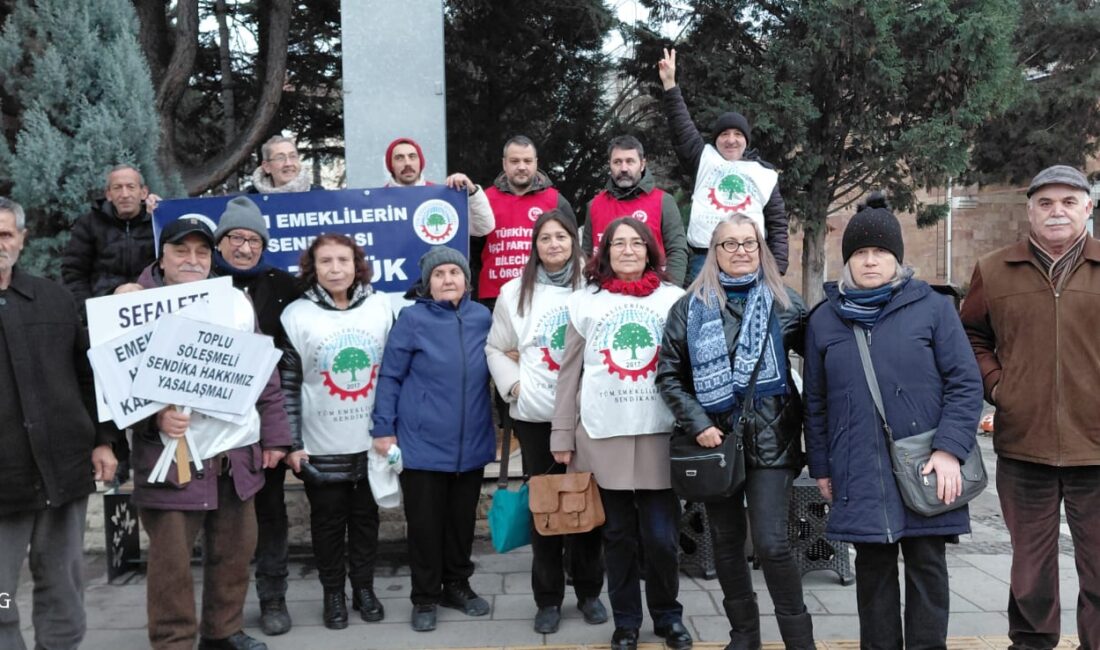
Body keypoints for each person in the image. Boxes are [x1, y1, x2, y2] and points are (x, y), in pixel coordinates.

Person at [803, 194, 983, 649]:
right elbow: (817, 402)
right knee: (873, 575)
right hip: (859, 468)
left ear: (896, 258)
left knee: (927, 570)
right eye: (860, 253)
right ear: (847, 260)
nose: (869, 261)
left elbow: (965, 383)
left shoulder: (934, 308)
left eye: (880, 252)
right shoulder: (825, 320)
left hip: (926, 467)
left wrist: (949, 451)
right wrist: (822, 467)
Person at [656, 214, 815, 649]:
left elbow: (823, 367)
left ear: (761, 250)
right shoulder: (689, 307)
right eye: (729, 244)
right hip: (715, 444)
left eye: (749, 243)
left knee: (771, 543)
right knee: (725, 543)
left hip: (773, 440)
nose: (741, 251)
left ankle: (800, 640)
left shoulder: (789, 304)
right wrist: (699, 422)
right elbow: (668, 375)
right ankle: (744, 636)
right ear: (714, 252)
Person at [132, 217, 291, 650]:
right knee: (171, 565)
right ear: (162, 256)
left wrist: (275, 437)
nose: (192, 260)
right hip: (172, 458)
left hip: (234, 454)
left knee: (235, 552)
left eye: (202, 252)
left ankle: (222, 632)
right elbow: (112, 386)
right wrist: (153, 419)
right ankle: (174, 642)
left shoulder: (235, 302)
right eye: (181, 251)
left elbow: (265, 375)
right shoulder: (135, 306)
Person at [960, 165, 1100, 649]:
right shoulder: (995, 269)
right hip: (1024, 450)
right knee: (1030, 576)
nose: (1056, 211)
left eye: (1068, 201)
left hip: (1097, 451)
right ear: (1030, 211)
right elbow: (970, 337)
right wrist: (1000, 387)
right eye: (1045, 203)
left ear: (1088, 206)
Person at [550, 218, 690, 650]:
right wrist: (561, 435)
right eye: (618, 244)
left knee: (662, 538)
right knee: (617, 536)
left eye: (636, 243)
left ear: (650, 250)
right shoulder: (583, 303)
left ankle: (668, 617)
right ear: (604, 253)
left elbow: (690, 366)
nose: (628, 250)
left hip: (659, 433)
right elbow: (569, 373)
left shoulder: (675, 300)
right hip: (602, 434)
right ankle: (626, 621)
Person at [0, 197, 118, 650]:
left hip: (62, 470)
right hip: (4, 480)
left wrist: (105, 442)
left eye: (7, 234)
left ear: (22, 240)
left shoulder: (54, 297)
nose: (1, 244)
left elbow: (89, 376)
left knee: (63, 583)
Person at [485, 210, 608, 634]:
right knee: (547, 510)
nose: (554, 244)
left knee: (589, 506)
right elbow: (496, 348)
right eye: (545, 238)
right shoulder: (514, 293)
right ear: (534, 246)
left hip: (588, 416)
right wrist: (515, 388)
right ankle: (548, 599)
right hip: (537, 417)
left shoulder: (595, 287)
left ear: (574, 241)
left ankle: (590, 591)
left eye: (561, 237)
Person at [371, 246, 496, 633]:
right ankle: (425, 596)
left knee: (461, 525)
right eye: (439, 274)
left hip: (471, 442)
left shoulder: (482, 317)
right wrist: (383, 428)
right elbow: (390, 376)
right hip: (422, 443)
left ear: (466, 280)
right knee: (425, 527)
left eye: (454, 273)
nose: (447, 280)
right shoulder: (412, 319)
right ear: (427, 284)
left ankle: (456, 585)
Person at [281, 234, 392, 630]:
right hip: (320, 445)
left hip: (372, 442)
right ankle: (333, 594)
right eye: (325, 261)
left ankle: (364, 588)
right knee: (328, 525)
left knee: (366, 520)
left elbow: (395, 377)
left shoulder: (381, 308)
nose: (335, 269)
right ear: (313, 266)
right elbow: (288, 386)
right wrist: (293, 444)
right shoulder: (296, 315)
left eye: (343, 260)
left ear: (357, 263)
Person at [210, 196, 302, 636]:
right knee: (217, 521)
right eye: (236, 238)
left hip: (265, 423)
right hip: (208, 426)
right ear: (220, 242)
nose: (245, 247)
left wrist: (280, 434)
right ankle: (221, 614)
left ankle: (273, 598)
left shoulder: (282, 285)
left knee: (270, 513)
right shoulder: (200, 283)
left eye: (253, 240)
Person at [657, 48, 789, 279]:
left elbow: (778, 225)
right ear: (716, 139)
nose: (731, 140)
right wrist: (670, 85)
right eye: (724, 134)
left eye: (738, 134)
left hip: (749, 260)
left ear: (746, 141)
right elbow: (682, 126)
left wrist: (777, 268)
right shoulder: (704, 159)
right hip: (703, 259)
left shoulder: (764, 174)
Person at [478, 135, 578, 305]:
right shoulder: (485, 199)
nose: (522, 167)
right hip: (494, 296)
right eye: (515, 161)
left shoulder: (556, 201)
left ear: (536, 163)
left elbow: (573, 248)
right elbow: (472, 251)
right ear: (504, 164)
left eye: (527, 161)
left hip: (543, 293)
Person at [583, 135, 689, 286]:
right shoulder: (594, 205)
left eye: (630, 161)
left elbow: (677, 250)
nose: (624, 168)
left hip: (653, 291)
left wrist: (671, 290)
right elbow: (586, 254)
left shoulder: (664, 202)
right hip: (603, 293)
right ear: (610, 165)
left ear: (642, 164)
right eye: (617, 162)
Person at [61, 164, 158, 308]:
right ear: (108, 194)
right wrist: (88, 312)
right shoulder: (89, 224)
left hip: (153, 304)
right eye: (117, 188)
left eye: (131, 187)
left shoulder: (156, 221)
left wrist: (164, 214)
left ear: (143, 193)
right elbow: (74, 273)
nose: (124, 194)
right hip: (103, 305)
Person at [382, 136, 496, 237]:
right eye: (399, 158)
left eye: (412, 157)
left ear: (420, 162)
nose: (407, 163)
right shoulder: (378, 201)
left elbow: (484, 228)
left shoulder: (442, 196)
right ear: (390, 165)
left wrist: (472, 191)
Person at [246, 135, 321, 194]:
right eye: (280, 158)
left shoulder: (320, 196)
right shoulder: (250, 200)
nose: (288, 163)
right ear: (267, 167)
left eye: (292, 156)